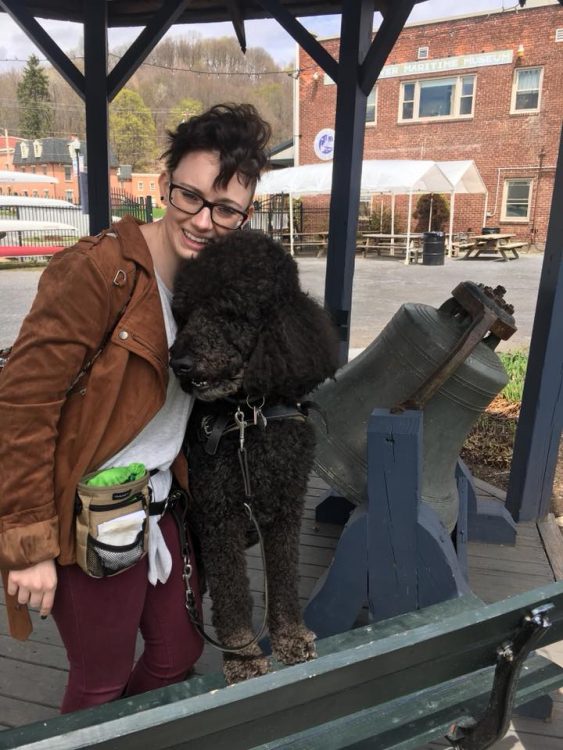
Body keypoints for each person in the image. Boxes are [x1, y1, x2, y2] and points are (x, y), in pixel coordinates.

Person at [0, 102, 272, 712]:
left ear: (244, 214)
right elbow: (23, 402)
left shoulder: (218, 287)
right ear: (162, 184)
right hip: (89, 508)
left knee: (177, 656)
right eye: (190, 196)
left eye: (225, 209)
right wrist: (29, 543)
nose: (203, 221)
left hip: (162, 502)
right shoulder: (99, 273)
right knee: (99, 683)